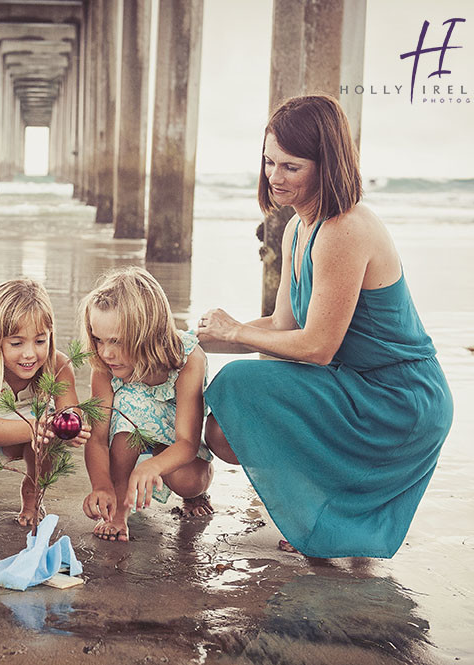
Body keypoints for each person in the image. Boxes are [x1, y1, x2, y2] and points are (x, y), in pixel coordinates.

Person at [198, 95, 453, 558]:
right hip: (354, 386)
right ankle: (324, 511)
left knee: (238, 385)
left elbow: (316, 346)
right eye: (269, 162)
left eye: (291, 167)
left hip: (399, 400)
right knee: (222, 427)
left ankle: (322, 515)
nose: (274, 177)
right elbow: (281, 325)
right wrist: (195, 343)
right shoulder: (297, 227)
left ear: (326, 165)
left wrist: (234, 332)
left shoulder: (344, 229)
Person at [81, 267, 214, 542]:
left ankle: (196, 494)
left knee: (187, 483)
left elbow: (187, 442)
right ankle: (119, 508)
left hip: (177, 442)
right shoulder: (104, 365)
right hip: (129, 436)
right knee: (127, 417)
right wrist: (102, 486)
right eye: (98, 339)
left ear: (148, 333)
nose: (106, 352)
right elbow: (97, 439)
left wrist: (152, 467)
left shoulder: (188, 359)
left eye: (116, 341)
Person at [0, 278, 91, 525]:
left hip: (35, 428)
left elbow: (70, 408)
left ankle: (32, 490)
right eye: (16, 343)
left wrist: (72, 426)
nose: (29, 353)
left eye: (40, 341)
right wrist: (36, 426)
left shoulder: (57, 366)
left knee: (53, 433)